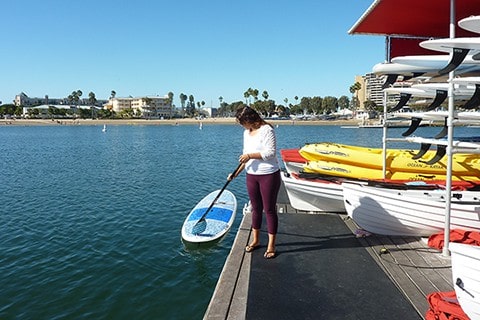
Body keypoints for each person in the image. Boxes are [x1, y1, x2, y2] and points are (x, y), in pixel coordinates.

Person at [228, 105, 281, 259]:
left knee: (269, 210)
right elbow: (245, 157)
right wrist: (235, 174)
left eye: (241, 122)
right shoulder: (246, 133)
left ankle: (271, 245)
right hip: (251, 175)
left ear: (249, 119)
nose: (240, 125)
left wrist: (250, 155)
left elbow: (270, 153)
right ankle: (256, 240)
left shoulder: (267, 130)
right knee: (255, 209)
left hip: (268, 174)